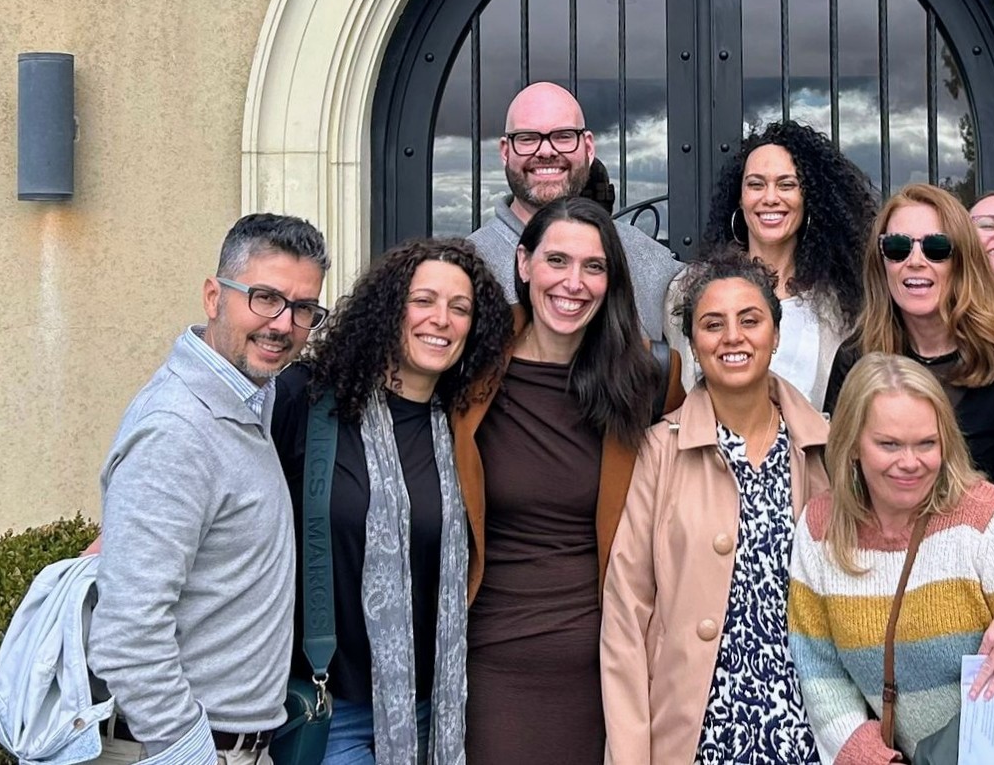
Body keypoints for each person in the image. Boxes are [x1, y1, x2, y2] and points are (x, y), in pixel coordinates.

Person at [823, 184, 994, 694]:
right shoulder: (856, 360)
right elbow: (840, 496)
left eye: (937, 247)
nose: (916, 261)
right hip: (889, 610)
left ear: (962, 259)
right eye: (898, 247)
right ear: (881, 260)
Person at [787, 355, 994, 765]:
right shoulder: (820, 530)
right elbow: (820, 670)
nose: (910, 462)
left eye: (926, 443)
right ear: (853, 444)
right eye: (889, 444)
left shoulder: (985, 519)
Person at [91, 213, 332, 765]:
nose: (283, 323)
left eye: (302, 309)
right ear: (212, 295)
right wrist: (190, 753)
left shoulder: (248, 401)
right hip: (189, 751)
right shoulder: (177, 430)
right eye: (265, 297)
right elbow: (128, 634)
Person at [270, 238, 513, 765]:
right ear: (388, 309)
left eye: (460, 308)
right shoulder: (307, 400)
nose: (441, 320)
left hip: (437, 710)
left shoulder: (465, 428)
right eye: (423, 301)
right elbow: (219, 473)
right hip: (333, 711)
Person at [453, 196, 670, 765]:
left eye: (593, 267)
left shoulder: (645, 382)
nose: (573, 283)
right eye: (557, 261)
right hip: (489, 664)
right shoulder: (469, 367)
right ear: (523, 264)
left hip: (604, 672)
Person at [604, 251, 832, 765]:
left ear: (775, 336)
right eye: (713, 324)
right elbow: (625, 617)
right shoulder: (658, 451)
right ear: (693, 342)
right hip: (697, 738)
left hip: (810, 735)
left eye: (750, 320)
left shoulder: (826, 448)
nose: (733, 337)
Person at [469, 81, 679, 348]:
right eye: (528, 138)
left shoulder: (647, 258)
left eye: (563, 136)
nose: (546, 151)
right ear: (505, 151)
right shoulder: (468, 268)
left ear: (588, 148)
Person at [682, 120, 876, 404]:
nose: (770, 198)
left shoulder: (843, 305)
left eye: (786, 185)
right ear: (740, 197)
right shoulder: (688, 289)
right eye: (756, 184)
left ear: (808, 197)